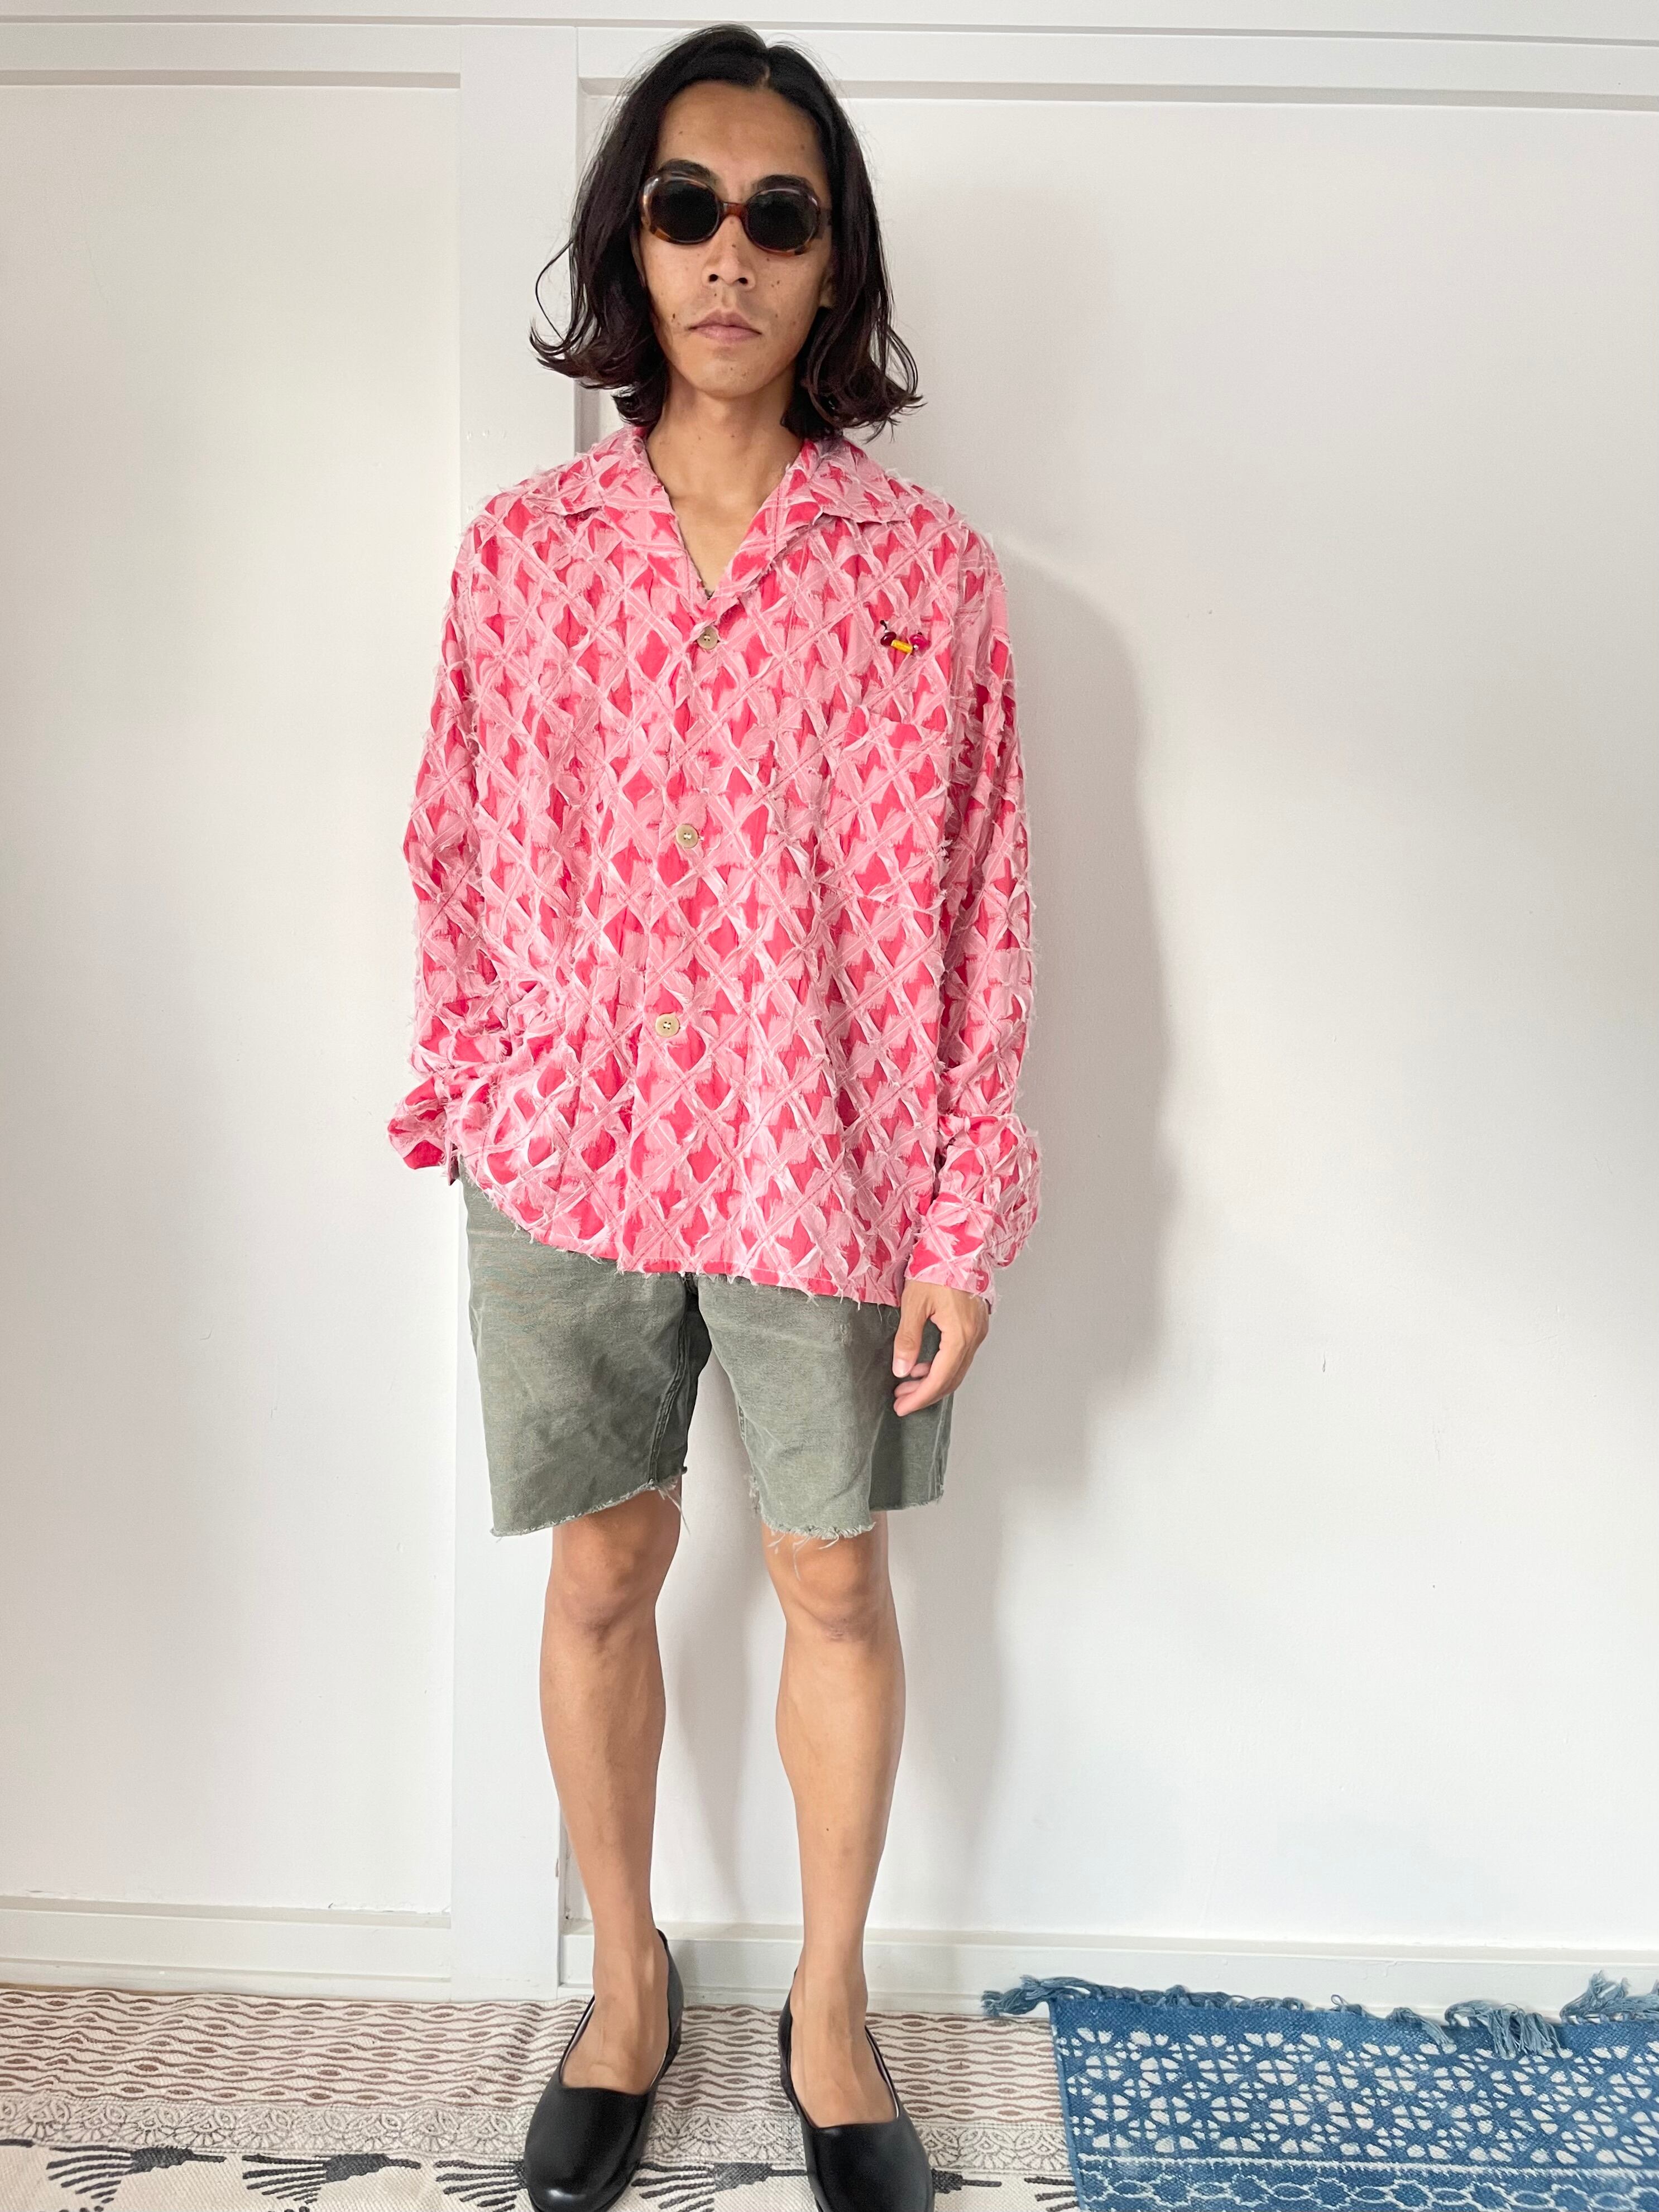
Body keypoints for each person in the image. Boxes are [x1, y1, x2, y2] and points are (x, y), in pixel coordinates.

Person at [387, 23, 1041, 2212]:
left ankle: (829, 2010)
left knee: (829, 1577)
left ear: (831, 256)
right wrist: (477, 1091)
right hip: (566, 1157)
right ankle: (627, 1984)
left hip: (821, 1161)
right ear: (631, 241)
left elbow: (982, 904)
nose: (729, 251)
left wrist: (959, 1215)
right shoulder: (521, 555)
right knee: (602, 1564)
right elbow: (448, 849)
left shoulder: (924, 577)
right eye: (687, 206)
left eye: (779, 212)